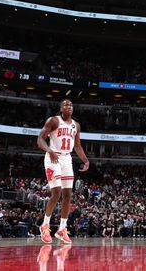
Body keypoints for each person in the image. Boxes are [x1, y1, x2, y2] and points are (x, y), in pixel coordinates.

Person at [37, 99, 90, 244]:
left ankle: (62, 228)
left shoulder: (76, 125)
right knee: (57, 192)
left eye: (71, 105)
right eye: (66, 105)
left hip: (67, 159)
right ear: (61, 108)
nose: (69, 107)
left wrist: (86, 160)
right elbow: (40, 139)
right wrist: (49, 150)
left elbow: (77, 146)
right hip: (53, 157)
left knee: (68, 195)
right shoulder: (53, 121)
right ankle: (45, 225)